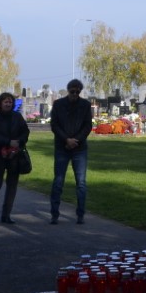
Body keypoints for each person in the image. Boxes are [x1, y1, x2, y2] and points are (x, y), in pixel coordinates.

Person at [49, 79, 93, 225]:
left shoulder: (85, 105)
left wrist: (76, 140)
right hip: (62, 147)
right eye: (72, 91)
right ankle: (54, 214)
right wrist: (66, 140)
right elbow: (54, 125)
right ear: (68, 91)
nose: (74, 94)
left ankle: (80, 214)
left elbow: (87, 126)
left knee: (81, 183)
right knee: (58, 181)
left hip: (79, 148)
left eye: (77, 92)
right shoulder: (58, 104)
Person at [0, 91, 30, 226]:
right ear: (0, 103)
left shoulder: (17, 117)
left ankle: (6, 215)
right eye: (6, 102)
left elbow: (25, 131)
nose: (8, 104)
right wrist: (8, 142)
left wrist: (19, 142)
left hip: (14, 156)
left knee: (12, 187)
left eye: (10, 102)